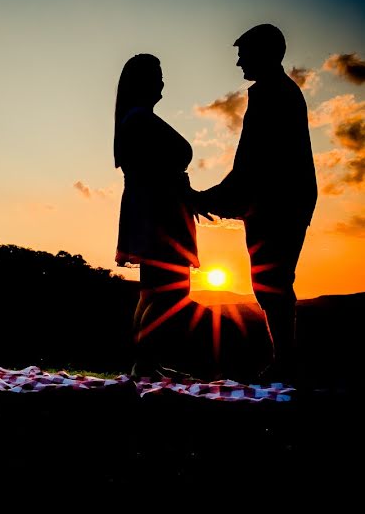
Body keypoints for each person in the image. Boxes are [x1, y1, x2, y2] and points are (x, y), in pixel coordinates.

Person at [198, 24, 317, 381]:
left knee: (272, 280)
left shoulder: (272, 94)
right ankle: (285, 361)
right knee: (273, 280)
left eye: (243, 54)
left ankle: (286, 363)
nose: (238, 62)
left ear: (263, 54)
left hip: (279, 203)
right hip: (282, 201)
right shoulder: (277, 91)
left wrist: (209, 198)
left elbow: (253, 163)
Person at [114, 54, 202, 378]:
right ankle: (144, 364)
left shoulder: (137, 118)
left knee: (154, 290)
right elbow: (156, 171)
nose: (163, 82)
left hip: (155, 210)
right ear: (143, 82)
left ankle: (145, 363)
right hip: (158, 214)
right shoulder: (138, 120)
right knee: (173, 291)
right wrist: (186, 193)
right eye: (158, 75)